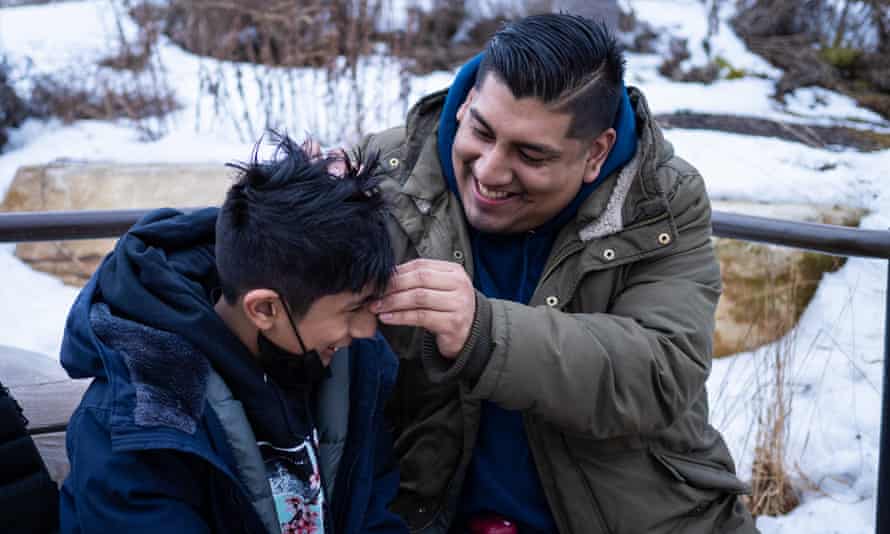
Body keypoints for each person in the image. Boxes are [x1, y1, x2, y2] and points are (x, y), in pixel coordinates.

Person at [360, 13, 757, 534]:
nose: (489, 171)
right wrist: (299, 210)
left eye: (530, 155)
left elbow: (660, 371)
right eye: (480, 130)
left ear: (596, 152)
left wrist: (483, 332)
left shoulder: (659, 199)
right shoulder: (387, 172)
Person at [58, 133, 408, 534]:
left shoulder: (355, 369)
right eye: (353, 310)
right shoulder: (138, 423)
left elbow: (376, 514)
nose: (367, 330)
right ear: (264, 309)